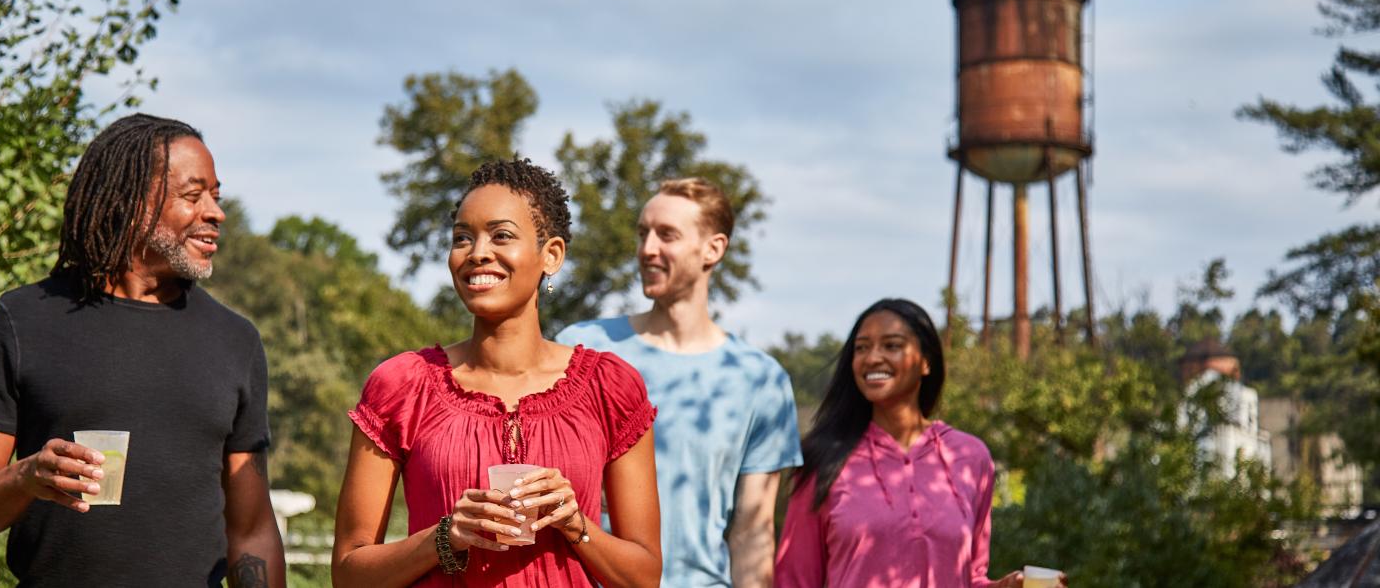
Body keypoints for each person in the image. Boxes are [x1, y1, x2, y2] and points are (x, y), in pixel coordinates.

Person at [0, 114, 285, 587]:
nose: (215, 213)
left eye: (215, 196)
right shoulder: (22, 321)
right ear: (130, 201)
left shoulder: (234, 341)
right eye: (192, 195)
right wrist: (26, 477)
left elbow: (252, 530)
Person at [332, 158, 662, 587]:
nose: (477, 253)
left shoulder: (611, 388)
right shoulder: (401, 386)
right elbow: (348, 574)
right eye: (462, 238)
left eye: (501, 235)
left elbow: (645, 577)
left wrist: (577, 525)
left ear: (552, 255)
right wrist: (447, 536)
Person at [557, 177, 803, 587]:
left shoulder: (760, 379)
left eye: (666, 235)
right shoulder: (582, 349)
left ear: (714, 248)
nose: (647, 249)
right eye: (643, 234)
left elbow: (752, 533)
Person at [774, 298, 1062, 588]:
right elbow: (794, 581)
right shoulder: (822, 460)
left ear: (926, 361)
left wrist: (1005, 587)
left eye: (891, 345)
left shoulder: (970, 457)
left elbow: (969, 577)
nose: (873, 357)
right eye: (862, 348)